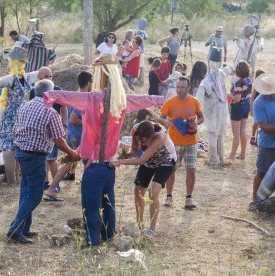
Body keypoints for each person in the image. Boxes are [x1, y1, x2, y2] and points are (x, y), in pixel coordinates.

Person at [43, 82, 163, 246]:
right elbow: (142, 99)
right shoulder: (121, 100)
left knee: (91, 205)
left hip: (93, 166)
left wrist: (50, 95)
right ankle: (108, 234)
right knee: (108, 203)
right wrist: (159, 99)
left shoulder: (91, 98)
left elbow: (66, 96)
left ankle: (92, 240)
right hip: (109, 166)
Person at [6, 79, 80, 244]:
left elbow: (16, 130)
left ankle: (24, 228)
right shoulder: (50, 111)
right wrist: (72, 152)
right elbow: (59, 140)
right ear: (49, 93)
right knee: (34, 196)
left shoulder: (25, 106)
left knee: (26, 192)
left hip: (21, 153)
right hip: (35, 156)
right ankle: (14, 230)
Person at [110, 121, 176, 239]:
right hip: (150, 161)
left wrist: (120, 162)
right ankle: (139, 224)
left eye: (144, 141)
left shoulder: (159, 136)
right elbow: (134, 150)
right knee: (138, 189)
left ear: (151, 136)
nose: (141, 143)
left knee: (154, 191)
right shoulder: (137, 131)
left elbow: (141, 160)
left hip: (166, 161)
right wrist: (122, 153)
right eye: (138, 139)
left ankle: (151, 229)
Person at [44, 71, 93, 200]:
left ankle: (52, 188)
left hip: (74, 135)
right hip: (79, 136)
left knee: (72, 160)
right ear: (89, 83)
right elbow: (73, 119)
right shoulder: (84, 97)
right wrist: (92, 122)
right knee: (88, 163)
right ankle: (86, 186)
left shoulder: (77, 95)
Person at [159, 77, 204, 209]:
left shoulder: (195, 102)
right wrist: (165, 122)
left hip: (191, 141)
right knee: (171, 170)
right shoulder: (170, 102)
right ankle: (169, 196)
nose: (180, 90)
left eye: (183, 87)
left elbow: (201, 117)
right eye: (178, 87)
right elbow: (161, 117)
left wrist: (196, 122)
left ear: (188, 88)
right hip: (174, 141)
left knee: (191, 170)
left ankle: (189, 198)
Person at [0, 45, 36, 186]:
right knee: (13, 146)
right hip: (18, 114)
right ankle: (13, 179)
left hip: (15, 114)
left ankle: (13, 179)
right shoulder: (19, 79)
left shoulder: (17, 78)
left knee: (10, 146)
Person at [28, 67, 68, 192]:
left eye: (50, 76)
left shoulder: (57, 90)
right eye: (46, 76)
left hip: (53, 128)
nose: (49, 78)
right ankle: (45, 182)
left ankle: (55, 183)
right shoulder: (33, 91)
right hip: (39, 129)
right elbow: (31, 108)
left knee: (51, 159)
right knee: (42, 158)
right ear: (39, 77)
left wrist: (65, 125)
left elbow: (64, 108)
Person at [196, 66, 233, 166]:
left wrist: (195, 108)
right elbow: (228, 69)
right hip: (221, 109)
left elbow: (198, 98)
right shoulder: (220, 74)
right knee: (220, 133)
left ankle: (214, 160)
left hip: (213, 110)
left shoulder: (206, 81)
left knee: (213, 133)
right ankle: (220, 157)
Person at [228, 61, 253, 161]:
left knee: (236, 134)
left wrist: (228, 94)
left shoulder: (239, 82)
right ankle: (242, 154)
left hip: (238, 107)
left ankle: (232, 156)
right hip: (246, 106)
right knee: (242, 132)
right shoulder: (249, 80)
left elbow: (237, 99)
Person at [249, 69, 266, 146]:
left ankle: (257, 138)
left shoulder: (265, 85)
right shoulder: (256, 85)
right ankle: (253, 136)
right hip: (256, 106)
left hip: (262, 106)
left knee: (260, 123)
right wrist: (251, 108)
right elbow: (252, 97)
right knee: (256, 122)